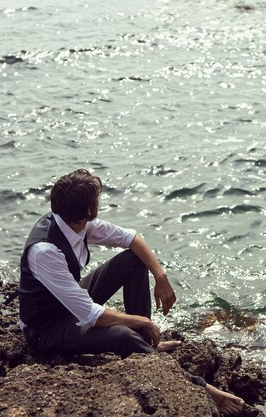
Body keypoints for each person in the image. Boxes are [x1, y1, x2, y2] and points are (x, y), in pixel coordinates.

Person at [17, 168, 244, 415]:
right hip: (46, 330)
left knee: (134, 260)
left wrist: (161, 276)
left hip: (68, 306)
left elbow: (131, 238)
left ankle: (146, 345)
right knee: (122, 335)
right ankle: (200, 388)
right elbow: (91, 315)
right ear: (88, 212)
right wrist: (141, 320)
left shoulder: (76, 223)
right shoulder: (46, 250)